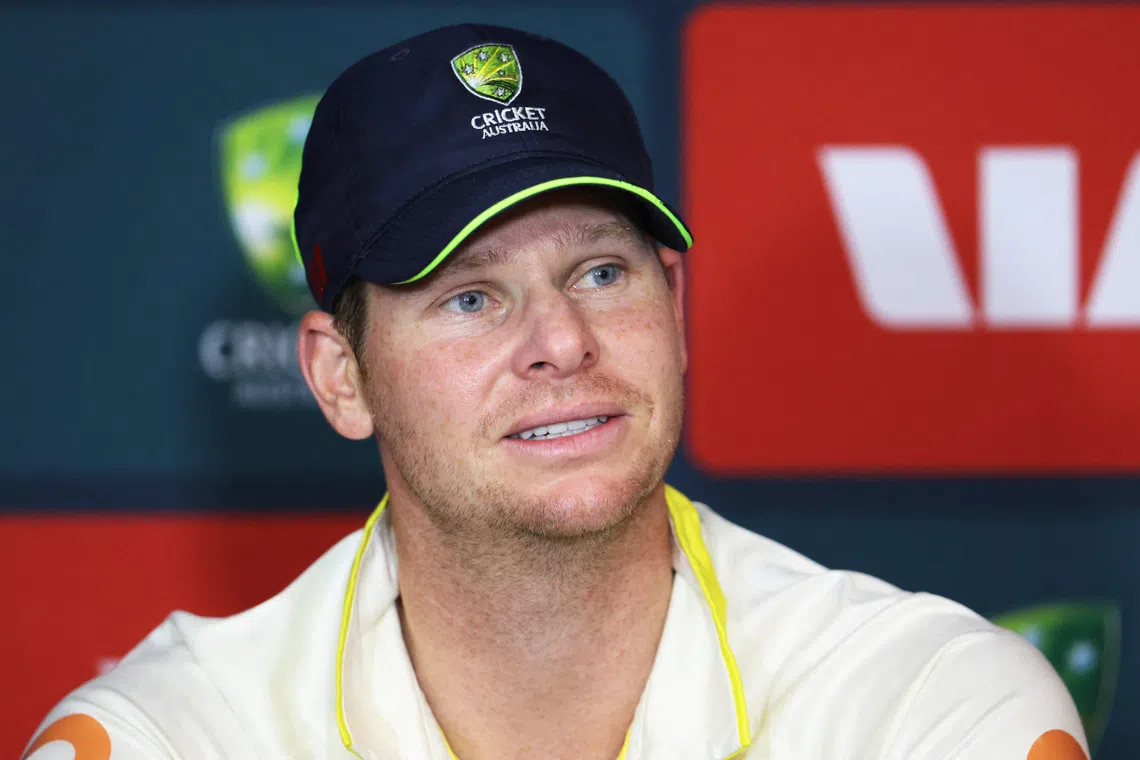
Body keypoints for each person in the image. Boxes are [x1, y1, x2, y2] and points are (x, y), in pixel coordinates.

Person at [25, 23, 1088, 760]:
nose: (562, 342)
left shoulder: (925, 708)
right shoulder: (169, 735)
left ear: (671, 306)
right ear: (340, 377)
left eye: (600, 272)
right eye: (470, 298)